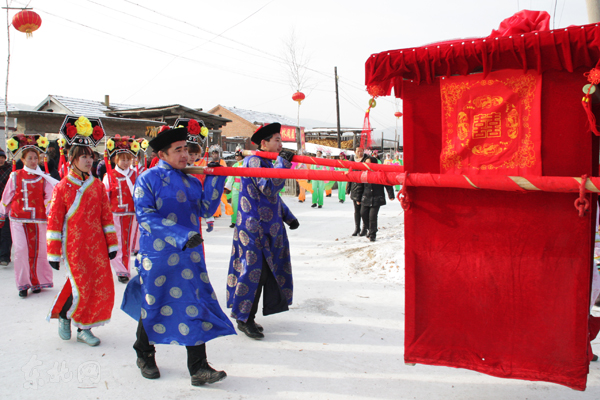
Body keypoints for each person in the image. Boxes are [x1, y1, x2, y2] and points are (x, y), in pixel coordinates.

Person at [129, 125, 235, 386]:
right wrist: (179, 235)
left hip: (189, 255)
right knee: (154, 304)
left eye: (186, 149)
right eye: (179, 150)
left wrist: (215, 176)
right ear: (163, 154)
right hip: (158, 256)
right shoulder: (148, 179)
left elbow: (206, 208)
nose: (185, 155)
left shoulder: (189, 179)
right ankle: (144, 353)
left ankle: (198, 368)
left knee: (193, 305)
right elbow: (145, 216)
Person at [47, 115, 118, 346]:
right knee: (80, 283)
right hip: (74, 245)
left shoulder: (97, 185)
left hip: (96, 243)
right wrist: (53, 253)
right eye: (83, 156)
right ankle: (66, 316)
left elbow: (106, 217)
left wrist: (111, 244)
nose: (88, 160)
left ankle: (84, 327)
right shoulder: (62, 187)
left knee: (97, 284)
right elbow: (55, 221)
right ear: (72, 158)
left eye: (90, 156)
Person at [227, 122, 298, 339]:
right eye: (276, 140)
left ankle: (249, 315)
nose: (280, 144)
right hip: (253, 229)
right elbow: (269, 187)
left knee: (266, 273)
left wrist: (289, 217)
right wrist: (283, 163)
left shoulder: (268, 161)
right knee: (253, 273)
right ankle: (243, 317)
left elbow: (273, 198)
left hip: (271, 229)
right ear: (264, 143)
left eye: (280, 139)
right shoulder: (254, 161)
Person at [0, 136, 57, 297]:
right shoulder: (15, 176)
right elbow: (7, 196)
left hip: (39, 220)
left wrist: (48, 210)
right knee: (21, 250)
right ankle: (23, 284)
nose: (33, 161)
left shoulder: (43, 177)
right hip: (18, 219)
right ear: (23, 159)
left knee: (39, 251)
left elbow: (49, 197)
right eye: (29, 158)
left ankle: (37, 281)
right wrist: (2, 213)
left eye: (35, 158)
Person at [103, 136, 140, 284]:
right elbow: (105, 196)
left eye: (128, 159)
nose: (125, 162)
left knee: (127, 244)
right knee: (117, 243)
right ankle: (121, 270)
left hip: (131, 214)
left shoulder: (135, 175)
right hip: (115, 214)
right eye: (122, 159)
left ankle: (125, 269)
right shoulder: (109, 176)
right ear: (115, 160)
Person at [359, 156, 395, 242]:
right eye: (366, 162)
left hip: (377, 197)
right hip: (366, 197)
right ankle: (369, 229)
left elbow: (387, 183)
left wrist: (391, 195)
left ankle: (372, 234)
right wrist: (357, 197)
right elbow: (359, 186)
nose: (368, 164)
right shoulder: (363, 173)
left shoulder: (380, 173)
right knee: (363, 214)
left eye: (370, 162)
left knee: (373, 216)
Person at [346, 146, 368, 236]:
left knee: (364, 211)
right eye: (358, 151)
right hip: (355, 188)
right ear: (355, 152)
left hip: (364, 188)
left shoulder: (366, 160)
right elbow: (350, 174)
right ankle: (357, 228)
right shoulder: (352, 161)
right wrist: (348, 188)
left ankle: (364, 228)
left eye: (361, 151)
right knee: (356, 211)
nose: (360, 153)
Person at [225, 150, 244, 228]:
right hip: (235, 187)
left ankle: (243, 221)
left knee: (244, 205)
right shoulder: (234, 165)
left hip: (244, 187)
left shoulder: (246, 165)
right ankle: (234, 221)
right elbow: (230, 178)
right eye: (235, 156)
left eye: (238, 156)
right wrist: (228, 187)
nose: (236, 157)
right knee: (234, 204)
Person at [0, 149, 12, 265]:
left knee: (5, 231)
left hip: (6, 205)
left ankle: (4, 256)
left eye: (2, 157)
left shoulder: (10, 170)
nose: (1, 160)